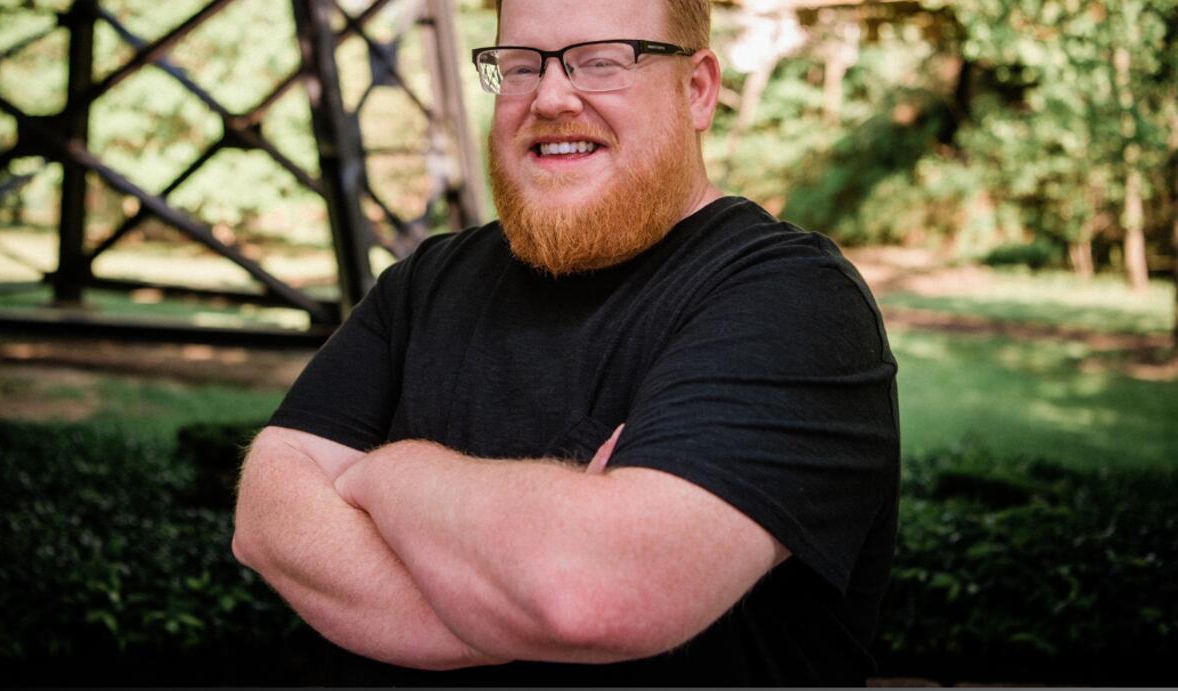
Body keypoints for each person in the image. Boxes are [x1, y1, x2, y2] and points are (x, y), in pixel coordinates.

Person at [232, 0, 900, 685]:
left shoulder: (792, 299)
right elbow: (265, 515)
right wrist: (517, 598)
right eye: (521, 66)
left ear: (697, 90)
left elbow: (594, 593)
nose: (550, 97)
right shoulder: (427, 281)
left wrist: (383, 474)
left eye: (602, 62)